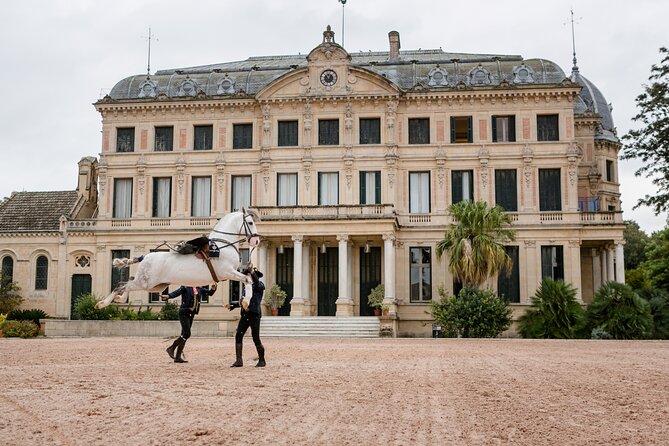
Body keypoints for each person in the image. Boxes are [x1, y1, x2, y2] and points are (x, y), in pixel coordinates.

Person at [162, 283, 217, 363]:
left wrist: (213, 289)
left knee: (184, 335)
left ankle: (178, 357)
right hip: (184, 312)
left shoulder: (199, 288)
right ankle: (171, 348)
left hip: (191, 313)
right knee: (187, 334)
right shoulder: (186, 287)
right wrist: (169, 296)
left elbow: (210, 293)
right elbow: (177, 292)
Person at [226, 262, 266, 367]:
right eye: (247, 274)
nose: (248, 276)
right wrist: (233, 305)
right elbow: (244, 302)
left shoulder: (260, 285)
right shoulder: (246, 288)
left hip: (254, 314)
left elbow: (257, 285)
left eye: (250, 274)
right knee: (239, 335)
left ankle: (262, 360)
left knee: (255, 338)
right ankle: (239, 360)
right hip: (245, 314)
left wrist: (252, 272)